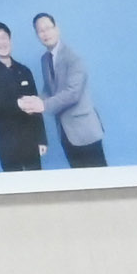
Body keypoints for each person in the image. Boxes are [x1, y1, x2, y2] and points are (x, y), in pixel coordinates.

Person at [29, 13, 106, 168]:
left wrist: (43, 106)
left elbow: (73, 93)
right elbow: (49, 90)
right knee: (79, 181)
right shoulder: (45, 59)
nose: (45, 33)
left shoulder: (74, 57)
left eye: (48, 28)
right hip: (65, 132)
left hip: (85, 132)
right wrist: (35, 101)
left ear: (57, 28)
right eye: (40, 31)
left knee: (99, 181)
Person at [0, 22, 45, 173]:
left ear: (10, 40)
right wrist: (18, 104)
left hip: (30, 140)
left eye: (4, 37)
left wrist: (41, 139)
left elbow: (37, 106)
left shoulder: (24, 70)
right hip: (5, 141)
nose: (1, 42)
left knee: (37, 183)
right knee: (14, 185)